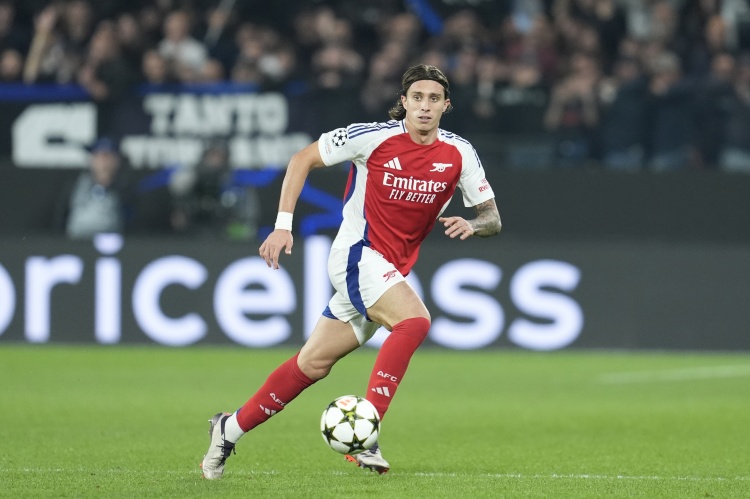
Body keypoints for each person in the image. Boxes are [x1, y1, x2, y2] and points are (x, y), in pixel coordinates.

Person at [200, 64, 502, 479]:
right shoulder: (373, 137)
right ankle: (367, 435)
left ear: (446, 106)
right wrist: (283, 226)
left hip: (387, 268)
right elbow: (302, 159)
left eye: (434, 99)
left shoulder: (459, 153)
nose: (424, 106)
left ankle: (228, 428)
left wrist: (474, 224)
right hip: (357, 254)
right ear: (403, 102)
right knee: (414, 321)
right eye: (417, 97)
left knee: (312, 364)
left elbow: (492, 218)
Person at [55, 137, 133, 240]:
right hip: (76, 242)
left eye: (107, 157)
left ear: (116, 160)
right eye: (99, 156)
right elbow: (61, 216)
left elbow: (130, 222)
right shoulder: (76, 186)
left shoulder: (124, 191)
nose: (103, 162)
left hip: (110, 243)